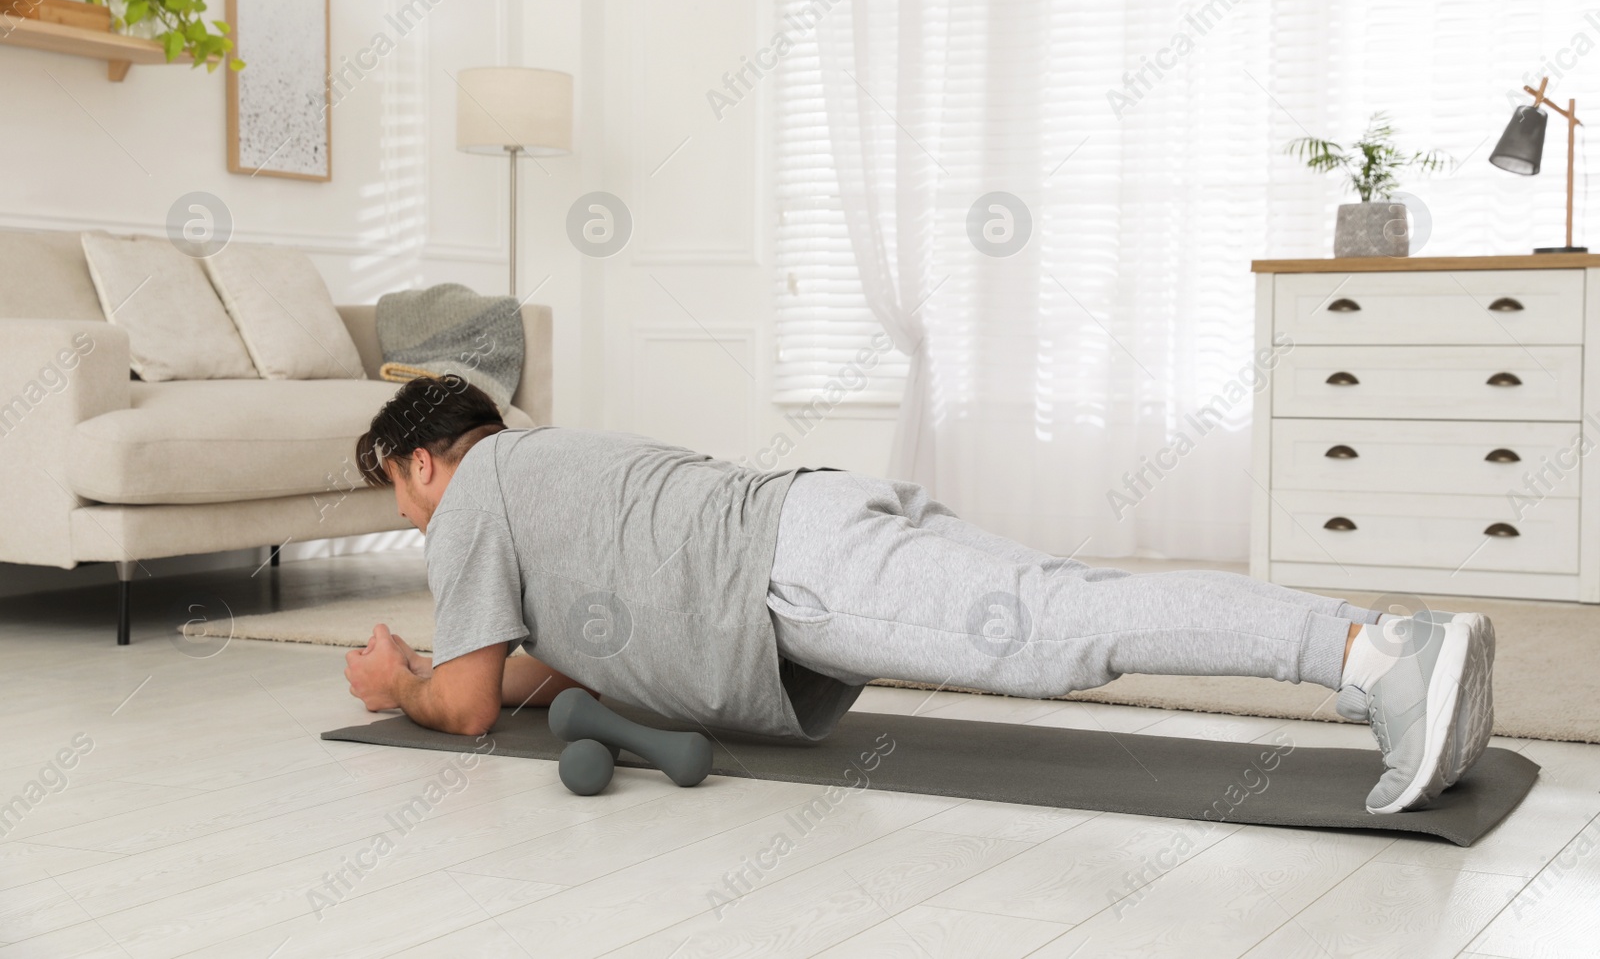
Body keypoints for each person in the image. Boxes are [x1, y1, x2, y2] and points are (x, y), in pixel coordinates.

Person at [343, 375, 1495, 815]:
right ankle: (1393, 653)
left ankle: (1376, 650)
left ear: (426, 458)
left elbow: (475, 703)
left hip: (796, 567)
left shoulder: (475, 495)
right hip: (814, 520)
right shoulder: (550, 465)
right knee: (1069, 597)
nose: (407, 517)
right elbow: (553, 664)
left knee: (1066, 626)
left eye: (400, 489)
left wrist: (397, 682)